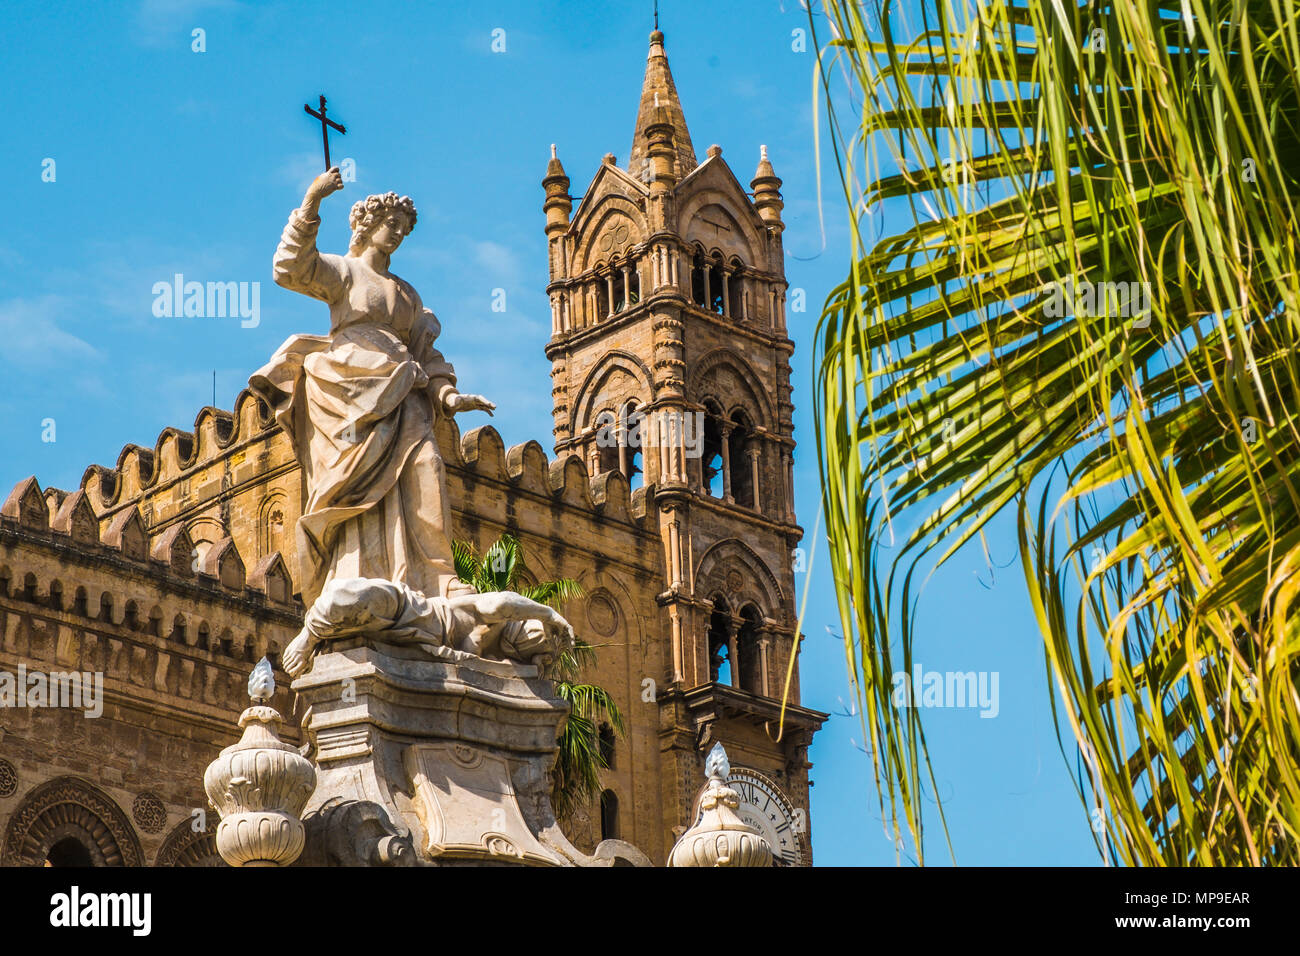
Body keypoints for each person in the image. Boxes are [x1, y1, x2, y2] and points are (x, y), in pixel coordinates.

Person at [250, 167, 495, 610]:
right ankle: (359, 571)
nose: (398, 233)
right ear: (366, 226)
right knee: (356, 484)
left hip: (405, 391)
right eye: (391, 225)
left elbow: (426, 353)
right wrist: (312, 201)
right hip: (349, 393)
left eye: (404, 228)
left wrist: (449, 396)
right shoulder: (343, 273)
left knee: (427, 469)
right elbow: (289, 268)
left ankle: (438, 576)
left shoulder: (408, 294)